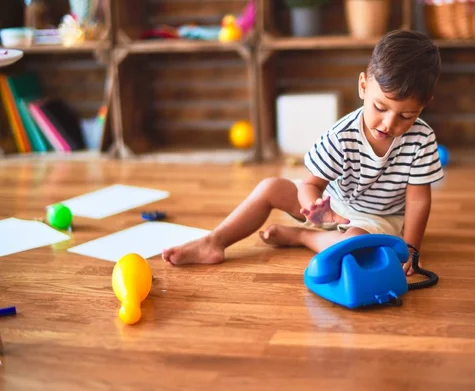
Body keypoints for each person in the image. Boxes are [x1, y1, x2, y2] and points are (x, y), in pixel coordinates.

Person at [162, 29, 444, 276]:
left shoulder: (421, 139)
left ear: (425, 105)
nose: (389, 123)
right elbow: (311, 184)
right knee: (269, 187)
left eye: (406, 115)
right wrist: (316, 210)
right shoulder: (341, 135)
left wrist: (410, 249)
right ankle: (214, 241)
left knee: (354, 244)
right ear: (362, 86)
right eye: (380, 108)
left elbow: (418, 200)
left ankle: (301, 237)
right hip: (331, 206)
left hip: (377, 220)